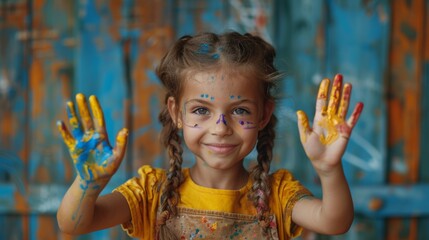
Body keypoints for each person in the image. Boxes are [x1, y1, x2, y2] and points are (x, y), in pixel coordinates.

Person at [56, 31, 363, 239]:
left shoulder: (278, 195)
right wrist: (87, 184)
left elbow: (334, 222)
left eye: (240, 110)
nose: (220, 127)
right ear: (177, 112)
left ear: (264, 115)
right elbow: (73, 223)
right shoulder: (151, 192)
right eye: (201, 110)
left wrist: (328, 169)